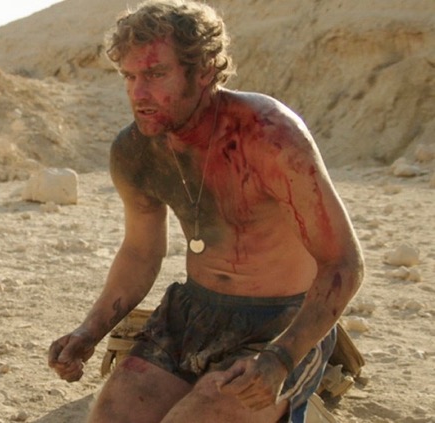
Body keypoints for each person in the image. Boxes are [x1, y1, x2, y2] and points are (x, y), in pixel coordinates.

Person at [47, 1, 365, 422]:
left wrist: (282, 357)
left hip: (280, 322)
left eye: (156, 74)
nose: (138, 94)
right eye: (129, 76)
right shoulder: (136, 150)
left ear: (205, 71)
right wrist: (90, 331)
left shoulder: (268, 134)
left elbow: (344, 262)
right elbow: (141, 252)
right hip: (190, 314)